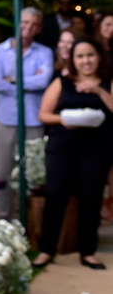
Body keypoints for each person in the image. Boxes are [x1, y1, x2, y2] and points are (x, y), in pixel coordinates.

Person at [33, 38, 113, 270]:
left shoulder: (107, 83)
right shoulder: (61, 82)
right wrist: (64, 120)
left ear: (98, 57)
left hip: (97, 147)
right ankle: (46, 249)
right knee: (56, 193)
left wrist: (97, 90)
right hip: (63, 144)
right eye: (80, 56)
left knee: (91, 196)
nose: (86, 61)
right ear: (73, 59)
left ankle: (88, 251)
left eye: (90, 55)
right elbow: (44, 115)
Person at [0, 7, 53, 221]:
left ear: (38, 29)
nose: (28, 28)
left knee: (34, 173)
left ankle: (32, 223)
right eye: (25, 22)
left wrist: (13, 80)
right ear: (17, 22)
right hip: (6, 119)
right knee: (3, 172)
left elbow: (43, 81)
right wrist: (29, 81)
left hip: (33, 119)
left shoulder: (44, 52)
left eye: (33, 24)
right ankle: (5, 221)